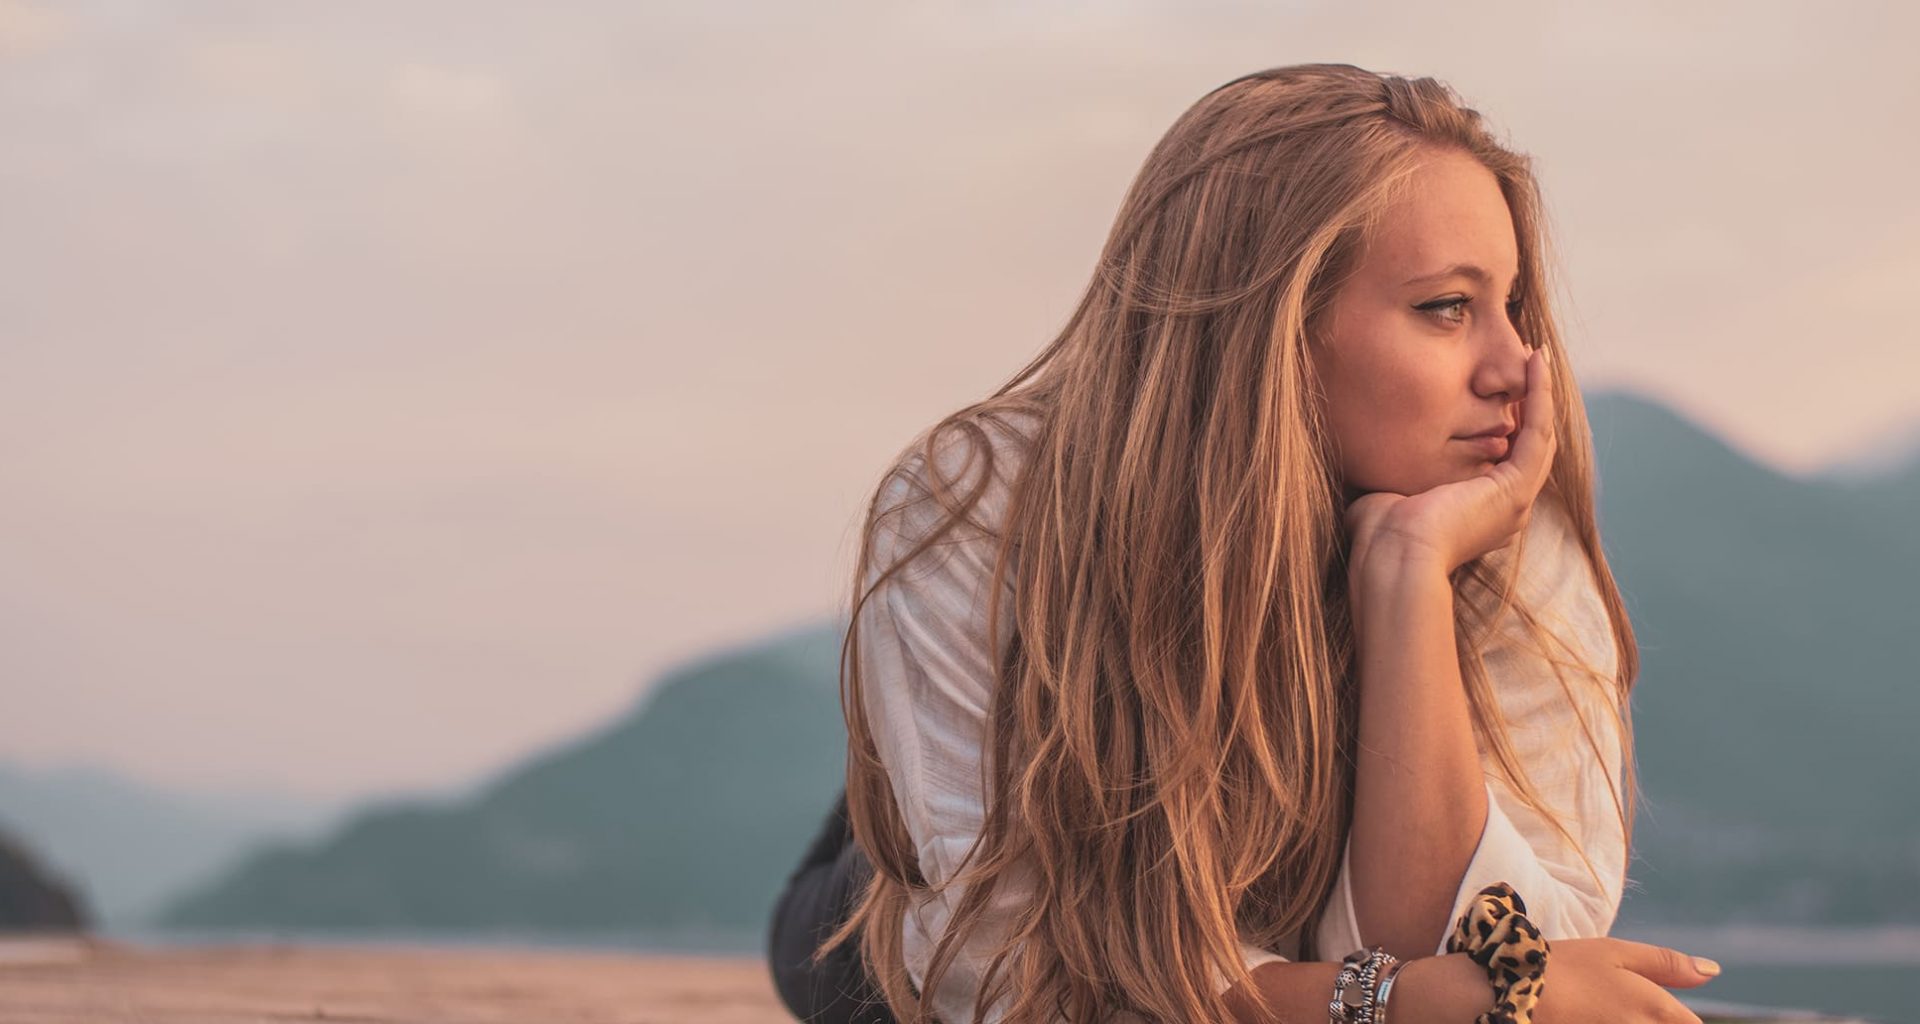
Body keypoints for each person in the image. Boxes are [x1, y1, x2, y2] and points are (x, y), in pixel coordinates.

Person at [768, 62, 1725, 1024]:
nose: (1516, 364)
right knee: (853, 947)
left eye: (1513, 304)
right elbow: (1024, 987)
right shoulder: (981, 505)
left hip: (1229, 950)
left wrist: (1404, 577)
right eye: (1446, 307)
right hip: (913, 890)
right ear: (1272, 322)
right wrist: (1390, 1003)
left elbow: (1502, 968)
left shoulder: (1502, 525)